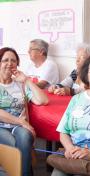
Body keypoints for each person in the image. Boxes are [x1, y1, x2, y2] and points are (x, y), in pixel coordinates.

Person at [0, 47, 48, 176]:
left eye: (13, 61)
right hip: (2, 126)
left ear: (17, 64)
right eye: (5, 60)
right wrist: (21, 122)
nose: (9, 63)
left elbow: (43, 100)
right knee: (13, 143)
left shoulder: (20, 85)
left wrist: (26, 80)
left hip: (18, 127)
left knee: (25, 137)